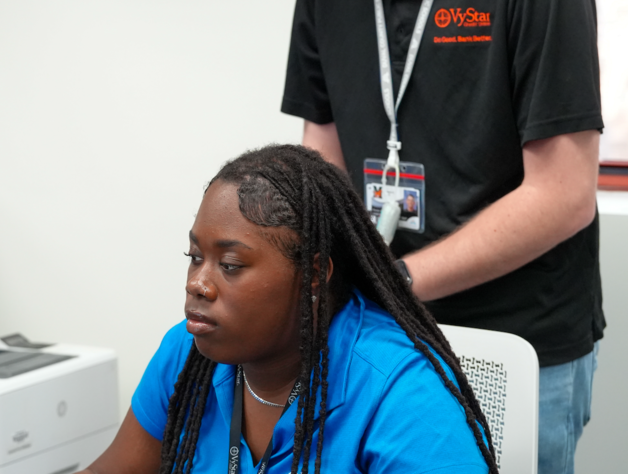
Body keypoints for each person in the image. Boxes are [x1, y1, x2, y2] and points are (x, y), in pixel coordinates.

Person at [279, 0, 603, 474]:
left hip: (516, 338)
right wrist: (323, 269)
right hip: (376, 328)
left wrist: (389, 282)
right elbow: (320, 141)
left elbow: (562, 196)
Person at [81, 145, 494, 474]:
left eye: (230, 265)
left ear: (314, 276)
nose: (197, 284)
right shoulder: (187, 352)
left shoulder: (402, 391)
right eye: (194, 257)